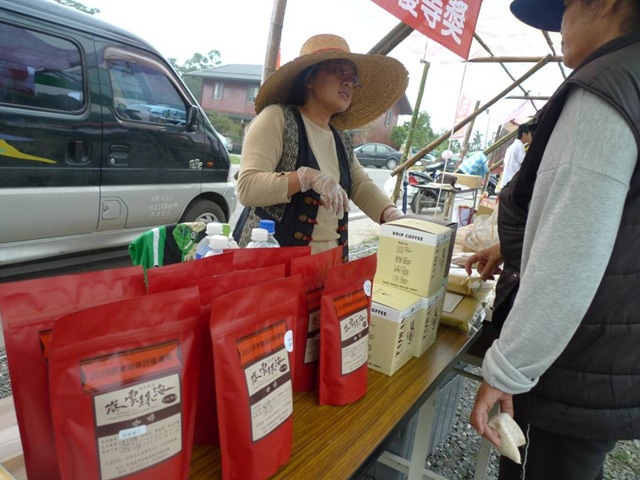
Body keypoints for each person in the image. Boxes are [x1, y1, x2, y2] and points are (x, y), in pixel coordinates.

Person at [465, 1, 640, 479]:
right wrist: (511, 247)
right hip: (610, 347)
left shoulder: (604, 87)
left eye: (564, 7)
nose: (560, 25)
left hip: (573, 360)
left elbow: (572, 256)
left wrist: (509, 368)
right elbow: (615, 223)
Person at [234, 34, 408, 258]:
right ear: (309, 79)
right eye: (339, 72)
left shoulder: (341, 139)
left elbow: (361, 185)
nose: (348, 83)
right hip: (272, 263)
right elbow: (247, 188)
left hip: (330, 263)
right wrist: (305, 177)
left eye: (353, 79)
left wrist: (392, 215)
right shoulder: (277, 118)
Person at [496, 123, 532, 192]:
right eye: (529, 134)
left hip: (506, 183)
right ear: (524, 134)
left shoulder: (511, 147)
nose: (531, 136)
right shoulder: (519, 147)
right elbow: (524, 163)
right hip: (512, 183)